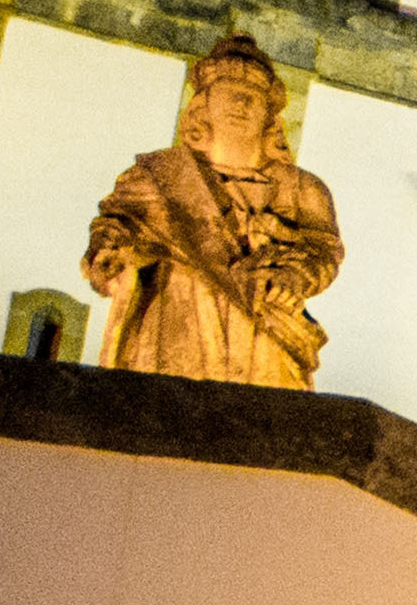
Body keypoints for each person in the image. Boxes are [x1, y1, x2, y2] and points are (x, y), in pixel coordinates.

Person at [80, 33, 340, 388]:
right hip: (175, 319)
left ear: (269, 115)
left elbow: (323, 251)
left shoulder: (303, 189)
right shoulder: (158, 176)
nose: (242, 103)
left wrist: (293, 277)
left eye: (253, 98)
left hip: (265, 331)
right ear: (203, 106)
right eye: (229, 92)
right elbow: (116, 228)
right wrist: (108, 254)